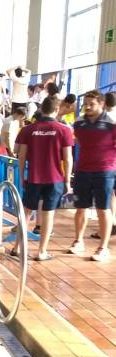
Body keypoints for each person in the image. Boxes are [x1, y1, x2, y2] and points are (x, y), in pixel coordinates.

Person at [15, 96, 74, 261]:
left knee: (26, 213)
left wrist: (22, 176)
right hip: (54, 179)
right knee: (48, 214)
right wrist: (67, 181)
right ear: (57, 109)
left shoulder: (28, 130)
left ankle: (17, 247)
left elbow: (21, 155)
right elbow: (68, 159)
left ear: (41, 109)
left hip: (34, 177)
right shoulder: (64, 130)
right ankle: (41, 252)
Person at [69, 90, 115, 261]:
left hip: (105, 171)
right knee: (81, 207)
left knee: (103, 209)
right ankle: (78, 241)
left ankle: (103, 248)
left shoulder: (112, 122)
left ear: (102, 104)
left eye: (91, 104)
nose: (87, 107)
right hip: (83, 171)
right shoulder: (79, 122)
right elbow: (77, 140)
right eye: (85, 104)